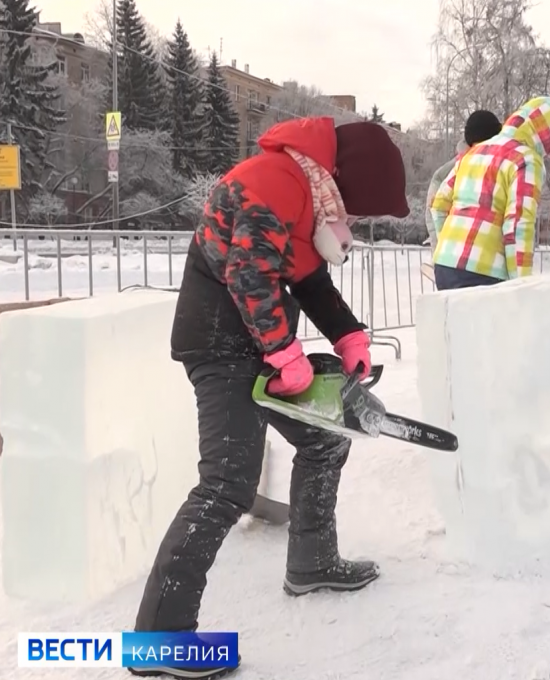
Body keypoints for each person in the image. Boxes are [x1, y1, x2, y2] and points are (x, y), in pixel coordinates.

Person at [132, 116, 408, 679]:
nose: (351, 219)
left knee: (324, 441)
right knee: (227, 484)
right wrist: (286, 353)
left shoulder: (305, 190)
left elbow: (306, 280)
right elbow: (249, 273)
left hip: (252, 342)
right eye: (357, 207)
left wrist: (348, 334)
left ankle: (312, 562)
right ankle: (160, 641)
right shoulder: (274, 178)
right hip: (217, 342)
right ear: (346, 180)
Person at [429, 96, 550, 290]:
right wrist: (520, 284)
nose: (549, 152)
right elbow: (518, 224)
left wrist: (447, 247)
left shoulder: (475, 151)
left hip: (445, 266)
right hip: (485, 272)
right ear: (544, 134)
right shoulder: (525, 159)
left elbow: (438, 204)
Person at [424, 110, 504, 248]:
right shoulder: (456, 168)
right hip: (455, 249)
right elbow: (435, 209)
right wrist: (443, 247)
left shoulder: (497, 166)